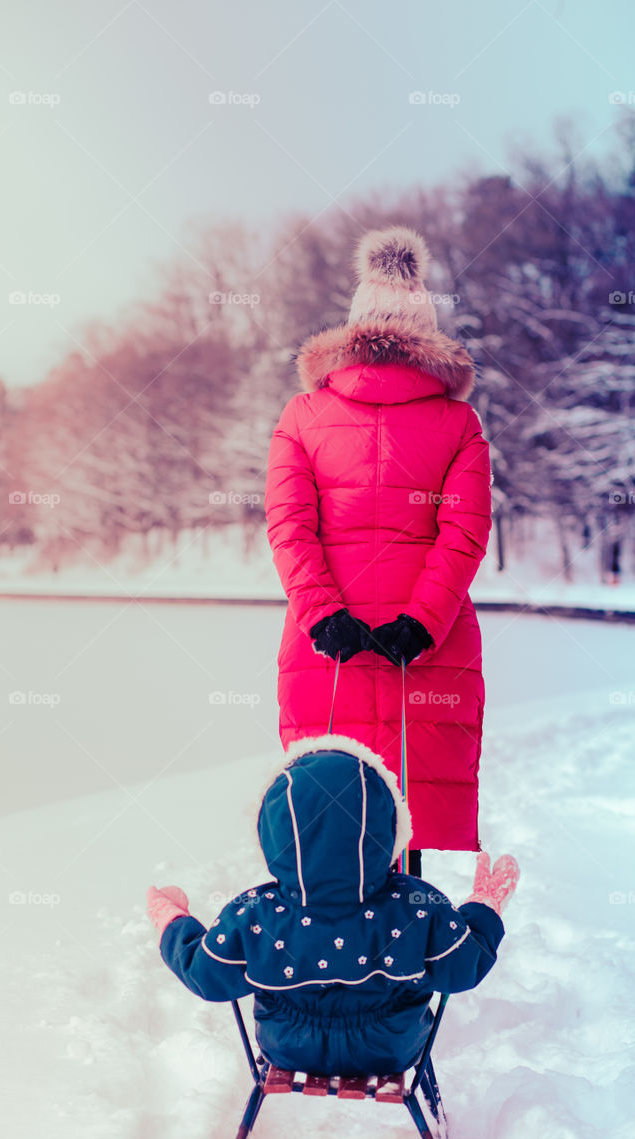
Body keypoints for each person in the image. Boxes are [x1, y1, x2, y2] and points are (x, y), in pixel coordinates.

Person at [265, 226, 492, 875]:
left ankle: (334, 959)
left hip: (326, 652)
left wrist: (322, 616)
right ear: (427, 336)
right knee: (408, 809)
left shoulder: (302, 415)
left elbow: (289, 526)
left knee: (335, 811)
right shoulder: (458, 424)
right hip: (426, 643)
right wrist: (420, 623)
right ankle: (412, 959)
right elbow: (465, 532)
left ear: (353, 331)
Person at [147, 736, 519, 1077]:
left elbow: (206, 975)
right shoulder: (415, 906)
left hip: (287, 1049)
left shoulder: (254, 913)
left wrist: (174, 922)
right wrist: (484, 906)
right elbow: (464, 966)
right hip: (392, 1048)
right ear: (387, 829)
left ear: (273, 835)